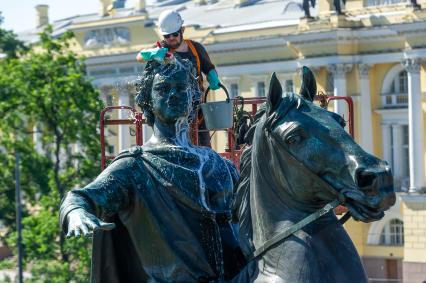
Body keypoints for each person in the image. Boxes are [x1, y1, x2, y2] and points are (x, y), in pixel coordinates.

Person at [60, 59, 245, 282]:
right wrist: (76, 213)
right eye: (163, 89)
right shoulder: (135, 166)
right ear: (148, 101)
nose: (173, 94)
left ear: (193, 98)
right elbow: (80, 197)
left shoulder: (219, 165)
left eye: (181, 88)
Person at [136, 9, 221, 146]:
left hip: (197, 113)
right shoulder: (161, 50)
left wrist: (213, 76)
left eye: (174, 34)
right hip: (170, 114)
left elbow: (209, 68)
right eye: (167, 35)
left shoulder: (196, 48)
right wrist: (151, 54)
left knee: (204, 150)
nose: (171, 38)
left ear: (182, 30)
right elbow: (139, 56)